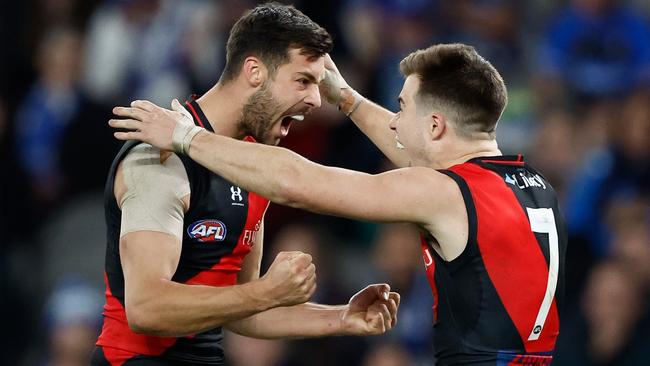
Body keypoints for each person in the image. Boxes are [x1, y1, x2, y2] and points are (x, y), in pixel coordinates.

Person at [111, 43, 568, 365]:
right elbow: (420, 152)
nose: (394, 123)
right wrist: (345, 98)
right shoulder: (532, 184)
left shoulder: (444, 192)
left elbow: (297, 182)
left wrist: (185, 135)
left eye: (401, 108)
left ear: (433, 126)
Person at [94, 4, 400, 366]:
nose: (317, 100)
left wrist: (339, 318)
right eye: (303, 80)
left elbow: (242, 306)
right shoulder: (160, 158)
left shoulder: (253, 165)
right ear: (254, 71)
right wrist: (266, 292)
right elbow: (146, 308)